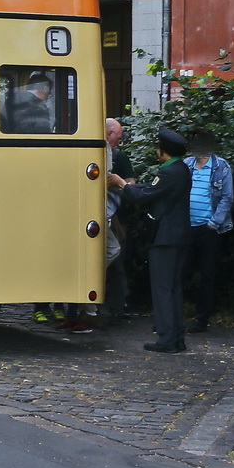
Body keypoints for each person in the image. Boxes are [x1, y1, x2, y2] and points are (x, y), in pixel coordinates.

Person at [109, 128, 192, 354]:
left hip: (164, 237)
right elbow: (149, 189)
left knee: (163, 289)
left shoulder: (169, 173)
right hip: (178, 236)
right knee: (173, 288)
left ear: (162, 151)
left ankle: (167, 338)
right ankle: (176, 337)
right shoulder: (181, 169)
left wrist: (120, 183)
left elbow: (143, 195)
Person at [183, 130, 234, 333]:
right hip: (187, 227)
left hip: (209, 230)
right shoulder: (187, 165)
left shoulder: (221, 166)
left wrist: (214, 223)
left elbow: (227, 198)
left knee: (207, 275)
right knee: (181, 273)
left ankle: (201, 319)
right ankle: (175, 317)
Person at [103, 118, 135, 322]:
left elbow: (132, 183)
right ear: (108, 134)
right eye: (118, 137)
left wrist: (118, 183)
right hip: (105, 215)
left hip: (114, 216)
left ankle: (117, 304)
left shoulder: (119, 157)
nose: (119, 141)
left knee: (117, 261)